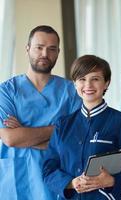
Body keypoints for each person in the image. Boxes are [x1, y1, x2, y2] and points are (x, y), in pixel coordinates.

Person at [42, 55, 121, 200]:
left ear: (106, 83)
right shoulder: (63, 124)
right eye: (82, 79)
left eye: (95, 79)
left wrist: (111, 181)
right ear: (75, 84)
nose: (88, 85)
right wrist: (71, 183)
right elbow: (48, 169)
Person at [0, 25, 81, 199]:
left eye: (52, 49)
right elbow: (10, 138)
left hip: (57, 178)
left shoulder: (71, 92)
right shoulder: (6, 91)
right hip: (17, 179)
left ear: (58, 52)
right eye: (39, 47)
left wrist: (25, 134)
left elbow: (75, 141)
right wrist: (59, 129)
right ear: (28, 49)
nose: (45, 54)